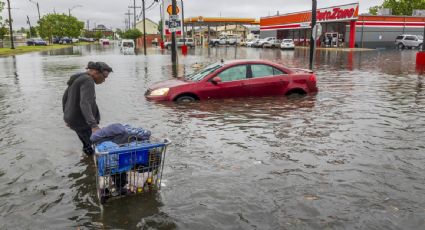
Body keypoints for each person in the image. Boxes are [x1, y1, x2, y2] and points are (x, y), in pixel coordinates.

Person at [62, 61, 113, 155]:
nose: (104, 80)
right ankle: (94, 165)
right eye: (104, 76)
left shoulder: (78, 77)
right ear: (96, 72)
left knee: (87, 145)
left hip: (73, 120)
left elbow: (65, 97)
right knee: (95, 148)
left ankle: (87, 163)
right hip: (82, 122)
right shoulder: (88, 80)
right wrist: (93, 125)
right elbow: (84, 103)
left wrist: (66, 116)